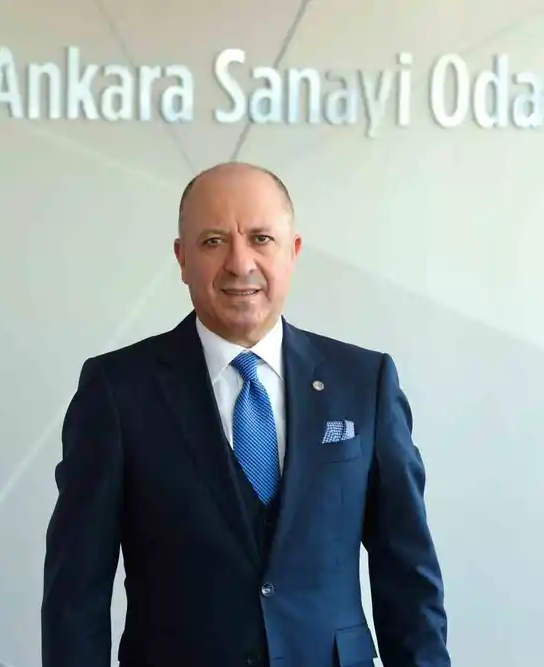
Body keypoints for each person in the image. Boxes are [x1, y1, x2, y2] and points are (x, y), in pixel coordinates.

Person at [41, 162, 450, 667]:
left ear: (293, 251)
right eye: (213, 241)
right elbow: (75, 594)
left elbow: (407, 576)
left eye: (261, 239)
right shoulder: (117, 391)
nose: (239, 263)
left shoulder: (365, 383)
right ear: (181, 258)